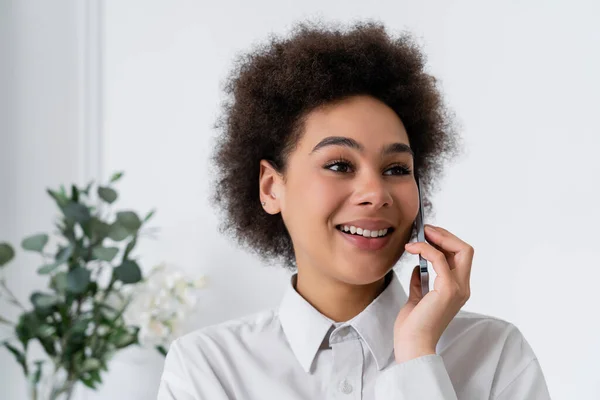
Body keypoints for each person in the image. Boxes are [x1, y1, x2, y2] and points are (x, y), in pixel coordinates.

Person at [157, 19, 551, 399]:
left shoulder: (496, 356)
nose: (376, 193)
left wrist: (417, 355)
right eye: (339, 165)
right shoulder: (207, 368)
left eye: (396, 169)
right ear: (271, 187)